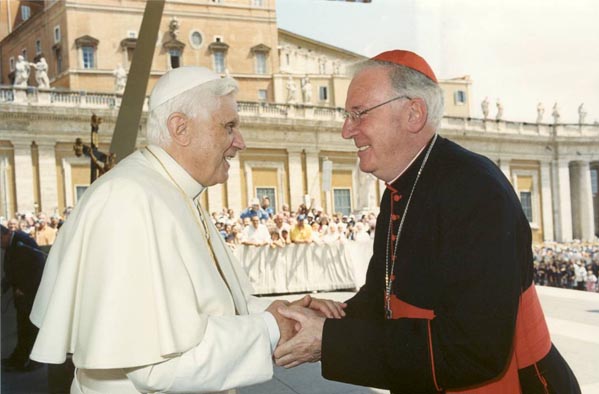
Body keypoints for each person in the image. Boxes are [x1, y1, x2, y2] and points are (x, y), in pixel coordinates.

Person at [274, 50, 581, 393]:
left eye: (358, 114)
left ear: (413, 113)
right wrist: (330, 316)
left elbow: (475, 349)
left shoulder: (476, 191)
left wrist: (330, 342)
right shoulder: (399, 189)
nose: (347, 130)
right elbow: (383, 296)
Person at [29, 66, 345, 393]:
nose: (241, 142)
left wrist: (280, 312)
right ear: (180, 128)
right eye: (229, 127)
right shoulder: (129, 200)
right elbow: (157, 368)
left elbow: (206, 306)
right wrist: (269, 328)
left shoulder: (175, 191)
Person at [1, 225, 46, 372]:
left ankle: (32, 360)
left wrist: (24, 288)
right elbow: (11, 270)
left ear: (7, 234)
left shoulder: (23, 242)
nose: (0, 245)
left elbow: (39, 267)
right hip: (21, 295)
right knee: (23, 329)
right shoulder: (12, 243)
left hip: (30, 294)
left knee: (29, 329)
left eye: (0, 240)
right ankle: (18, 358)